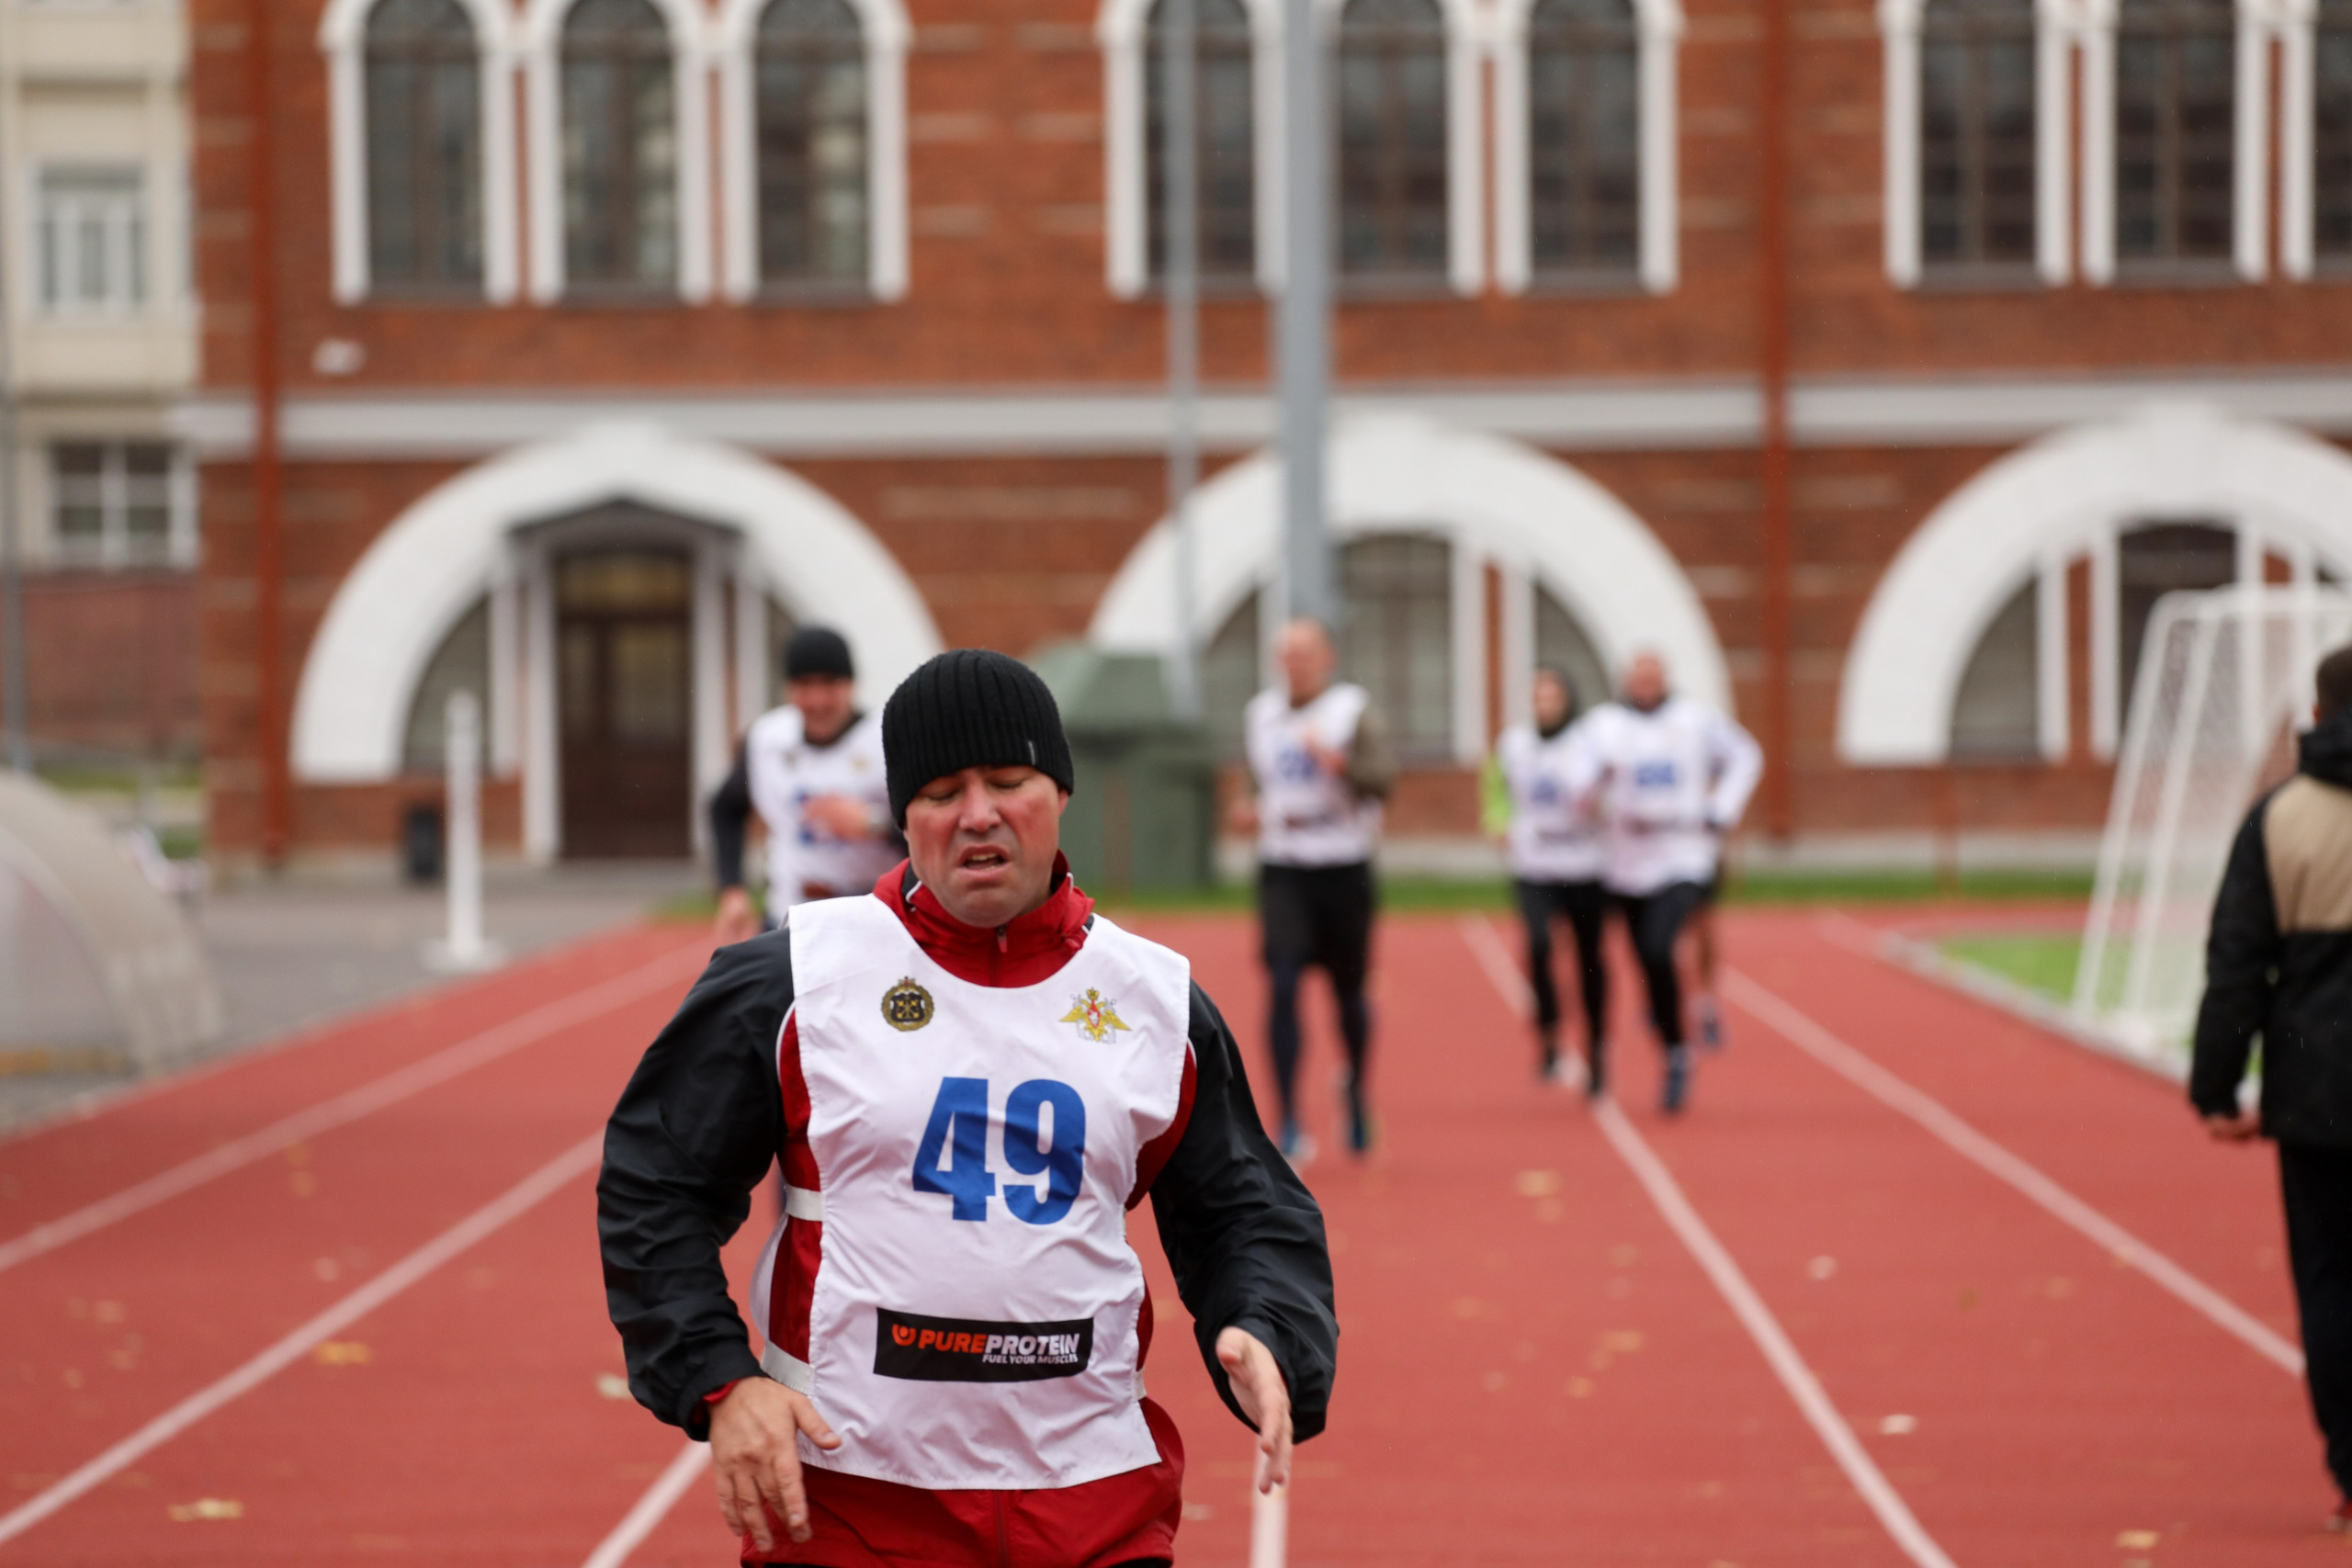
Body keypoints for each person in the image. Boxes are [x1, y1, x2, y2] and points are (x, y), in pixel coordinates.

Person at [599, 648, 1338, 1567]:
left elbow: (1243, 1209)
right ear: (902, 817)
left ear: (1059, 792)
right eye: (942, 790)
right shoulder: (793, 979)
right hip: (848, 1508)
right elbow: (653, 1185)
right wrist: (716, 1380)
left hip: (1091, 1506)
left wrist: (1265, 1327)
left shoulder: (1155, 1000)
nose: (978, 813)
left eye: (1008, 779)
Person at [2189, 641, 2352, 1531]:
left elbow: (2237, 964)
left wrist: (2216, 1089)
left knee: (2330, 1281)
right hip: (2316, 1086)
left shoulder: (2279, 816)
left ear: (2318, 717)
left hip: (2317, 1084)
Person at [1568, 651, 1761, 1114]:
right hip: (1625, 860)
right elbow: (1574, 783)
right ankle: (1670, 1030)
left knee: (1661, 947)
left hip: (1683, 855)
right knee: (1645, 960)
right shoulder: (1603, 726)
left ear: (1666, 680)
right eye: (1638, 677)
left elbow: (1746, 754)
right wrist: (1597, 780)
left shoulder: (1696, 721)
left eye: (1653, 677)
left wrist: (1724, 809)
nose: (1645, 685)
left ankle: (1677, 1051)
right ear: (1625, 681)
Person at [1231, 618, 1395, 1163]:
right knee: (1281, 985)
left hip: (1344, 868)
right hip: (1285, 869)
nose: (1295, 664)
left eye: (1306, 654)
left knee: (1348, 996)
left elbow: (1383, 779)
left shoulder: (1351, 711)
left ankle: (1356, 1090)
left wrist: (1342, 765)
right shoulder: (1262, 715)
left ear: (1327, 658)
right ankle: (1288, 1118)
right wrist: (1247, 809)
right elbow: (1259, 783)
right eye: (1287, 655)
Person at [709, 626, 900, 943]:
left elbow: (931, 826)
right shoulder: (767, 740)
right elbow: (724, 807)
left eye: (830, 684)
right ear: (787, 688)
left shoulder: (888, 739)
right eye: (804, 685)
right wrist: (732, 889)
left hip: (878, 916)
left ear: (851, 685)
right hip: (791, 915)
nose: (817, 700)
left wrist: (875, 823)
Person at [1488, 665, 1609, 1091]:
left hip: (1585, 865)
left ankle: (1596, 1047)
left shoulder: (1589, 744)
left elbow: (1610, 791)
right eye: (1537, 696)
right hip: (1535, 864)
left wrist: (1601, 804)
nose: (1544, 703)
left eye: (1552, 695)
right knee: (1538, 946)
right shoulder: (1514, 744)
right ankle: (1549, 1034)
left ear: (1568, 700)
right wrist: (1498, 822)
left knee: (1589, 960)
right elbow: (1495, 790)